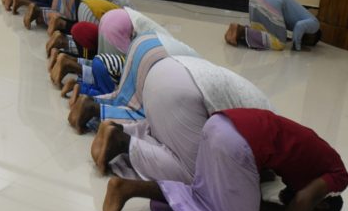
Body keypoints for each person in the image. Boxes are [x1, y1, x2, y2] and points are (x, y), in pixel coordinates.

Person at [102, 108, 348, 211]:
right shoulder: (339, 175)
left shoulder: (316, 161)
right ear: (326, 202)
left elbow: (265, 181)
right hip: (239, 146)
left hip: (221, 124)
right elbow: (305, 199)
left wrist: (267, 206)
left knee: (201, 193)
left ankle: (126, 187)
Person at [90, 54, 273, 183]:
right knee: (196, 175)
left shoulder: (268, 111)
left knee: (161, 134)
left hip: (162, 70)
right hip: (182, 90)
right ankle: (122, 141)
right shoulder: (269, 132)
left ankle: (120, 129)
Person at [67, 32, 198, 133]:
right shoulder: (196, 69)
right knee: (140, 111)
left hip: (143, 43)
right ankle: (94, 109)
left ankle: (89, 98)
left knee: (121, 96)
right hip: (159, 59)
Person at [225, 0, 321, 51]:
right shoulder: (315, 24)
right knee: (280, 43)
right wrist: (297, 47)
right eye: (309, 42)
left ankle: (238, 33)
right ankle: (241, 30)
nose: (306, 42)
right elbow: (299, 26)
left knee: (260, 31)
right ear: (313, 34)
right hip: (271, 2)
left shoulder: (307, 16)